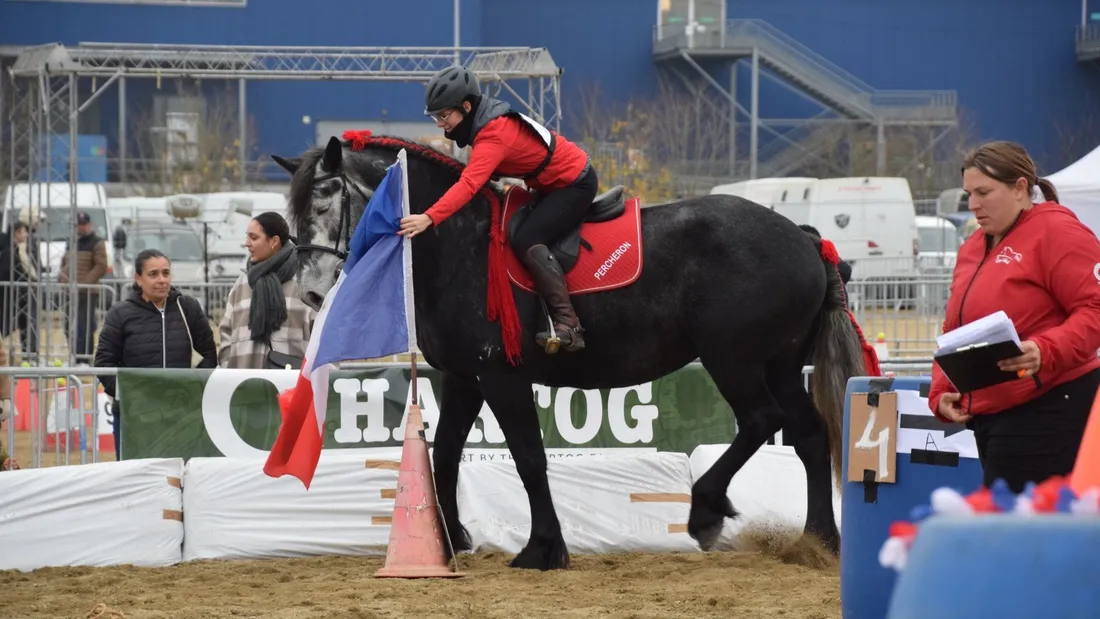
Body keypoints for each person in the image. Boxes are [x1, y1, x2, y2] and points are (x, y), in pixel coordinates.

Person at [928, 140, 1100, 493]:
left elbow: (1095, 307)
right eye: (968, 193)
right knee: (1008, 524)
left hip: (1051, 404)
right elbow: (954, 329)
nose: (973, 204)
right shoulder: (973, 247)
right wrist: (942, 390)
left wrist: (1045, 348)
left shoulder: (1057, 232)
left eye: (984, 192)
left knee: (1011, 528)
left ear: (1021, 188)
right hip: (991, 412)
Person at [398, 65, 597, 354]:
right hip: (547, 184)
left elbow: (468, 186)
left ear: (466, 107)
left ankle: (568, 323)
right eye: (436, 117)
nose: (439, 124)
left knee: (526, 238)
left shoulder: (493, 134)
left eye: (443, 115)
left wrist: (429, 217)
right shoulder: (482, 125)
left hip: (573, 185)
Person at [94, 249, 217, 460]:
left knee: (178, 477)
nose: (162, 280)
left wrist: (191, 388)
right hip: (134, 417)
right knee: (134, 478)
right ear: (138, 279)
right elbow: (104, 363)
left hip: (180, 415)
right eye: (153, 274)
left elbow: (210, 354)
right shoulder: (120, 313)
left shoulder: (188, 308)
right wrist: (131, 396)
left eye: (166, 273)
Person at [218, 212, 313, 369]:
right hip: (243, 385)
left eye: (254, 238)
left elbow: (321, 338)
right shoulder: (242, 283)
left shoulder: (302, 282)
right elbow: (226, 332)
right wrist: (228, 368)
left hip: (290, 387)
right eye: (247, 237)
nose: (247, 243)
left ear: (274, 241)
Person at [60, 211, 109, 363]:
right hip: (70, 291)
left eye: (84, 224)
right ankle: (74, 356)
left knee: (85, 326)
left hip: (87, 292)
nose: (81, 228)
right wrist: (62, 279)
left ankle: (84, 358)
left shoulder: (97, 242)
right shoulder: (71, 241)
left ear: (89, 225)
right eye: (79, 225)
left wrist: (84, 283)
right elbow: (65, 262)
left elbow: (101, 266)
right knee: (69, 325)